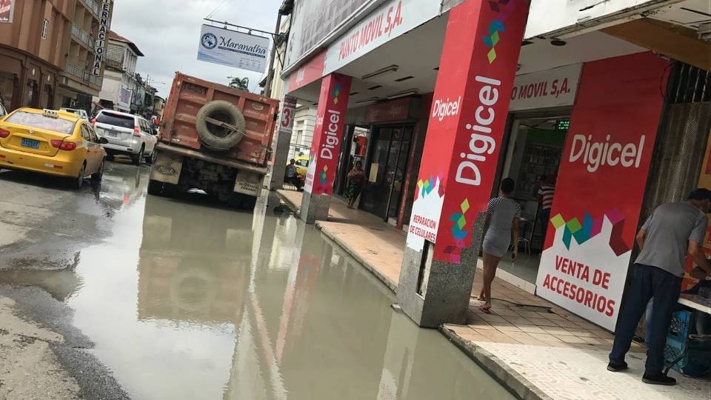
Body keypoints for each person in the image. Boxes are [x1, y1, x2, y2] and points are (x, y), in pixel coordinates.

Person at [608, 188, 711, 386]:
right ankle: (652, 372)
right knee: (660, 320)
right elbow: (693, 249)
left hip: (643, 266)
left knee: (630, 314)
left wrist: (649, 255)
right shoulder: (699, 216)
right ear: (705, 202)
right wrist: (707, 270)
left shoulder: (663, 208)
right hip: (668, 273)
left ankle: (615, 360)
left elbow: (640, 236)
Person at [478, 178, 521, 313]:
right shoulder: (516, 206)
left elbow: (485, 218)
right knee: (492, 269)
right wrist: (515, 247)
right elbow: (515, 228)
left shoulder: (494, 202)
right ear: (512, 189)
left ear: (501, 188)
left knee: (486, 269)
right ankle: (481, 294)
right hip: (504, 239)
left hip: (491, 236)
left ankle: (488, 301)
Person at [537, 175, 556, 240]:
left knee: (544, 230)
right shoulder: (556, 188)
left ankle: (543, 244)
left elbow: (539, 199)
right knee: (553, 230)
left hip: (545, 211)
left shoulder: (543, 187)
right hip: (554, 212)